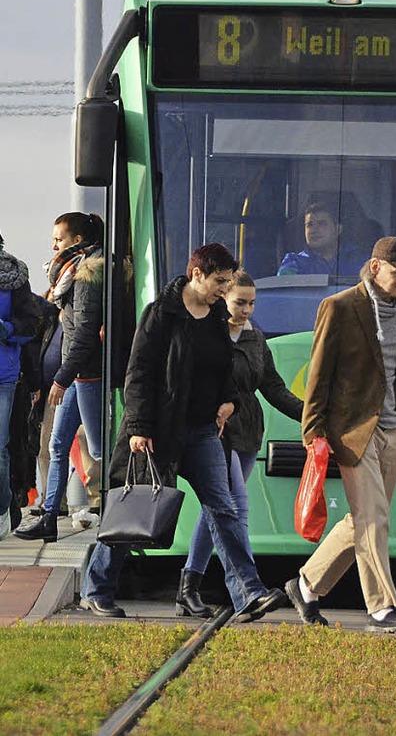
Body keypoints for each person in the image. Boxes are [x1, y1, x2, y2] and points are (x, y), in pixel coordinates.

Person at [79, 243, 287, 620]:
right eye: (219, 282)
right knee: (137, 507)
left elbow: (226, 368)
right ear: (196, 275)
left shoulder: (216, 316)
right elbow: (138, 373)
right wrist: (139, 428)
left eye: (227, 282)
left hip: (204, 429)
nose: (224, 289)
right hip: (157, 430)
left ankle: (249, 593)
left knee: (222, 507)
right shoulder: (162, 314)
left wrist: (230, 402)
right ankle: (97, 589)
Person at [285, 236, 396, 634]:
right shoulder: (340, 307)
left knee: (364, 519)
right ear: (375, 266)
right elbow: (319, 374)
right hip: (352, 432)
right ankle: (381, 610)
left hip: (394, 430)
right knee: (373, 518)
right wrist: (312, 430)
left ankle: (307, 584)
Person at [177, 269, 303, 617]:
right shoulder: (207, 332)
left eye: (251, 303)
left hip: (247, 431)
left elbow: (273, 386)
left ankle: (188, 588)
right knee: (235, 505)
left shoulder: (255, 337)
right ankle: (248, 592)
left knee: (216, 509)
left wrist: (310, 416)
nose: (246, 310)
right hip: (214, 431)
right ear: (223, 298)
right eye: (239, 302)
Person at [15, 212, 104, 543]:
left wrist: (61, 378)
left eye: (59, 239)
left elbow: (82, 332)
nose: (53, 245)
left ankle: (110, 510)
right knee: (56, 443)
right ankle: (49, 516)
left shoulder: (87, 275)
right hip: (75, 375)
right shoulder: (71, 274)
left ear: (77, 242)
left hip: (86, 376)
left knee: (97, 446)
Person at [0, 232, 40, 540]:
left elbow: (32, 324)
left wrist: (7, 329)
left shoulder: (14, 277)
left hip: (4, 376)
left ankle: (2, 511)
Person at [277, 194, 364, 277]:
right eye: (309, 224)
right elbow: (283, 288)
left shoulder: (360, 261)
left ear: (338, 230)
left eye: (321, 223)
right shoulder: (293, 262)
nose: (313, 230)